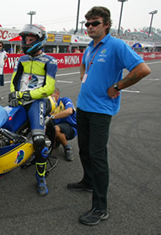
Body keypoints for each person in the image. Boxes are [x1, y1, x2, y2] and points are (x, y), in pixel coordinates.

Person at [67, 6, 151, 226]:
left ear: (106, 24)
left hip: (101, 111)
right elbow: (84, 64)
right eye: (87, 24)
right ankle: (87, 181)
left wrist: (118, 85)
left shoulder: (116, 45)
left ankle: (100, 208)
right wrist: (84, 76)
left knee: (97, 155)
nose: (90, 27)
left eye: (94, 23)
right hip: (83, 107)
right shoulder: (90, 47)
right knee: (83, 148)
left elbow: (142, 70)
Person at [8, 24, 57, 196]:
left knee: (38, 141)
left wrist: (26, 95)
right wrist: (14, 94)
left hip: (38, 102)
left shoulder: (50, 61)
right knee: (4, 131)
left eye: (31, 40)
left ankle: (41, 177)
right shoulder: (21, 60)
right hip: (20, 100)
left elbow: (49, 89)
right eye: (25, 40)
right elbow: (14, 80)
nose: (27, 43)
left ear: (40, 40)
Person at [50, 87, 77, 161]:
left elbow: (69, 111)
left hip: (70, 127)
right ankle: (56, 140)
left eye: (50, 94)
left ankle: (67, 148)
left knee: (55, 129)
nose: (48, 97)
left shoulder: (65, 100)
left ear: (57, 94)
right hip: (57, 126)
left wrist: (53, 117)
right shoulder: (49, 105)